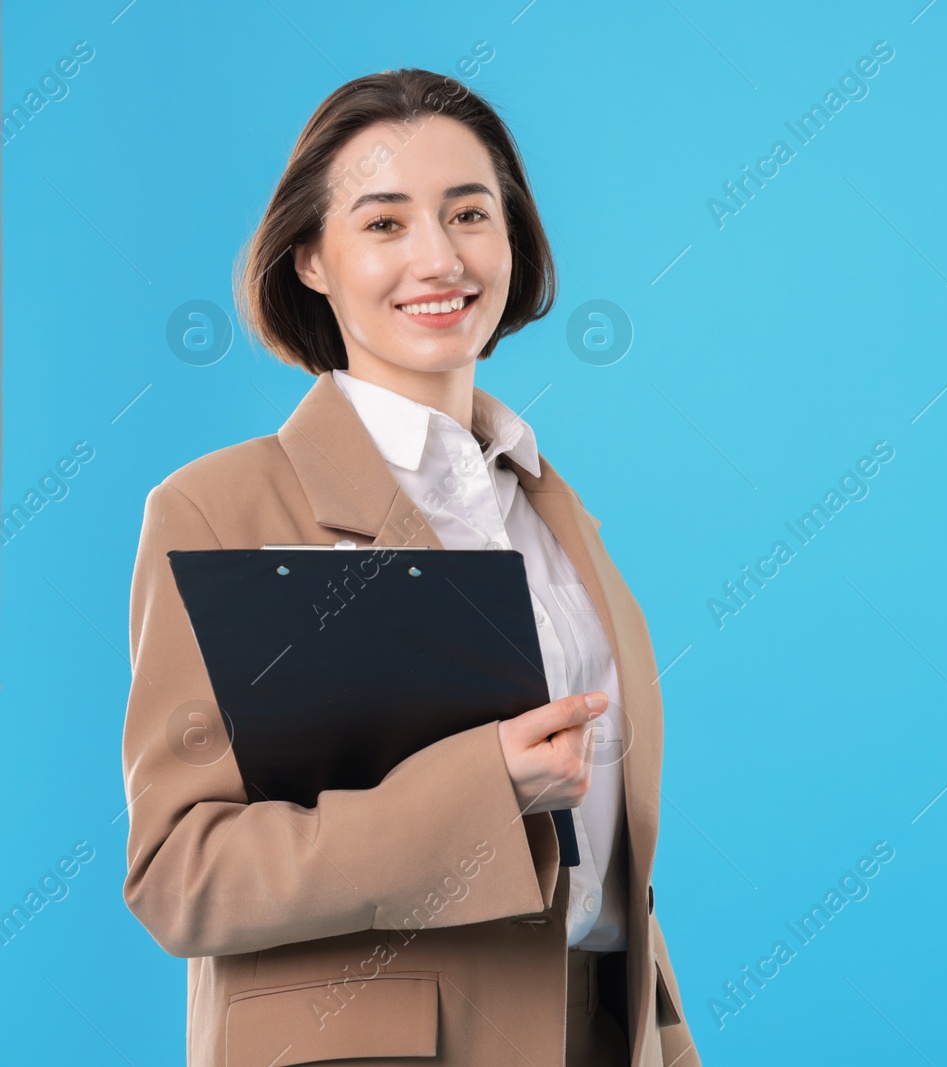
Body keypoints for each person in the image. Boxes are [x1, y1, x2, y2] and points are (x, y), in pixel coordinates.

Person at [119, 68, 698, 1067]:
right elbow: (184, 875)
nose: (439, 256)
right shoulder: (222, 508)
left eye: (469, 212)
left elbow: (609, 871)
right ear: (310, 258)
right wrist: (479, 787)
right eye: (384, 223)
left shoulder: (554, 509)